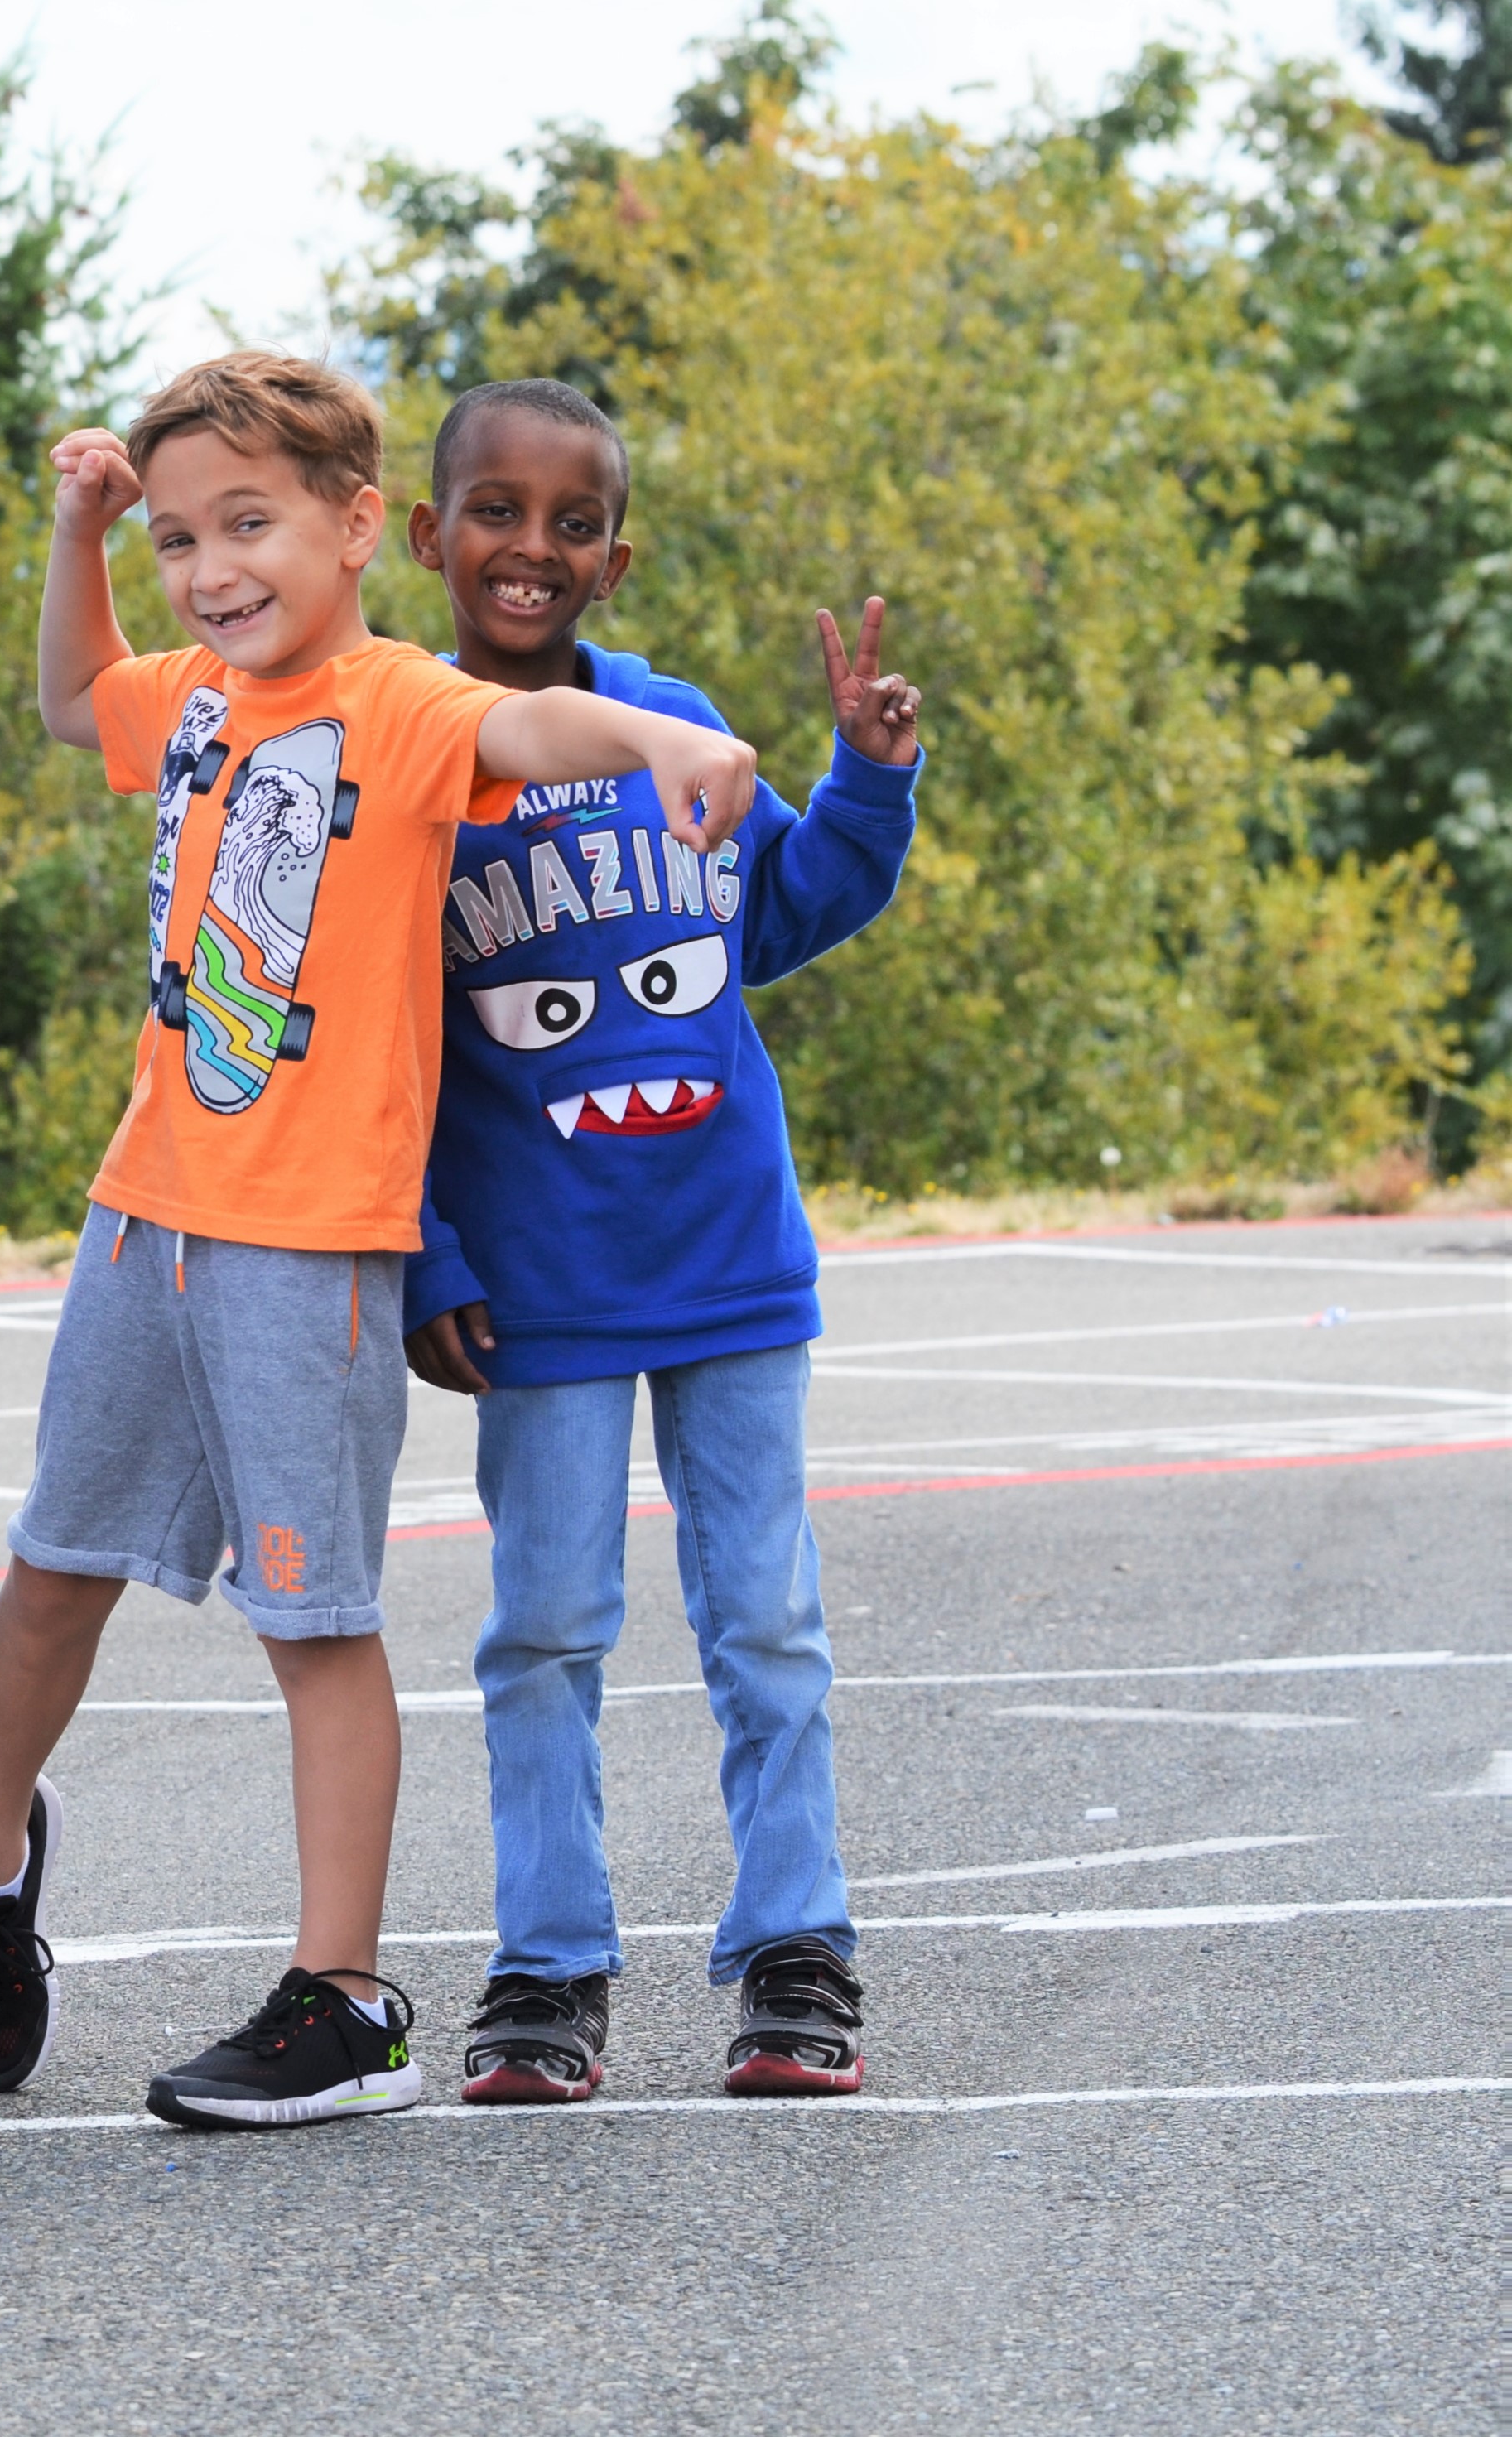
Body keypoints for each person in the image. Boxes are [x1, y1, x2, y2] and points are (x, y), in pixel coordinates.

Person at [0, 351, 761, 2131]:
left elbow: (540, 733)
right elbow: (76, 700)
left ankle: (343, 1995)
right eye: (177, 542)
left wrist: (668, 736)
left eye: (247, 525)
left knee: (314, 1618)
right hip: (145, 1213)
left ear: (354, 525)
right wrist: (75, 532)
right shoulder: (203, 699)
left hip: (316, 1243)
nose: (210, 569)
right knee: (54, 1571)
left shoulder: (404, 704)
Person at [393, 378, 921, 2103]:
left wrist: (867, 781)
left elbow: (774, 914)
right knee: (542, 1633)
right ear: (427, 534)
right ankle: (548, 1968)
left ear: (610, 556)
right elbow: (372, 1050)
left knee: (763, 1618)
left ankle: (795, 1949)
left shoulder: (674, 721)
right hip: (534, 1286)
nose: (527, 548)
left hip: (725, 1256)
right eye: (494, 511)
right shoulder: (407, 760)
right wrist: (424, 1251)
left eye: (567, 522)